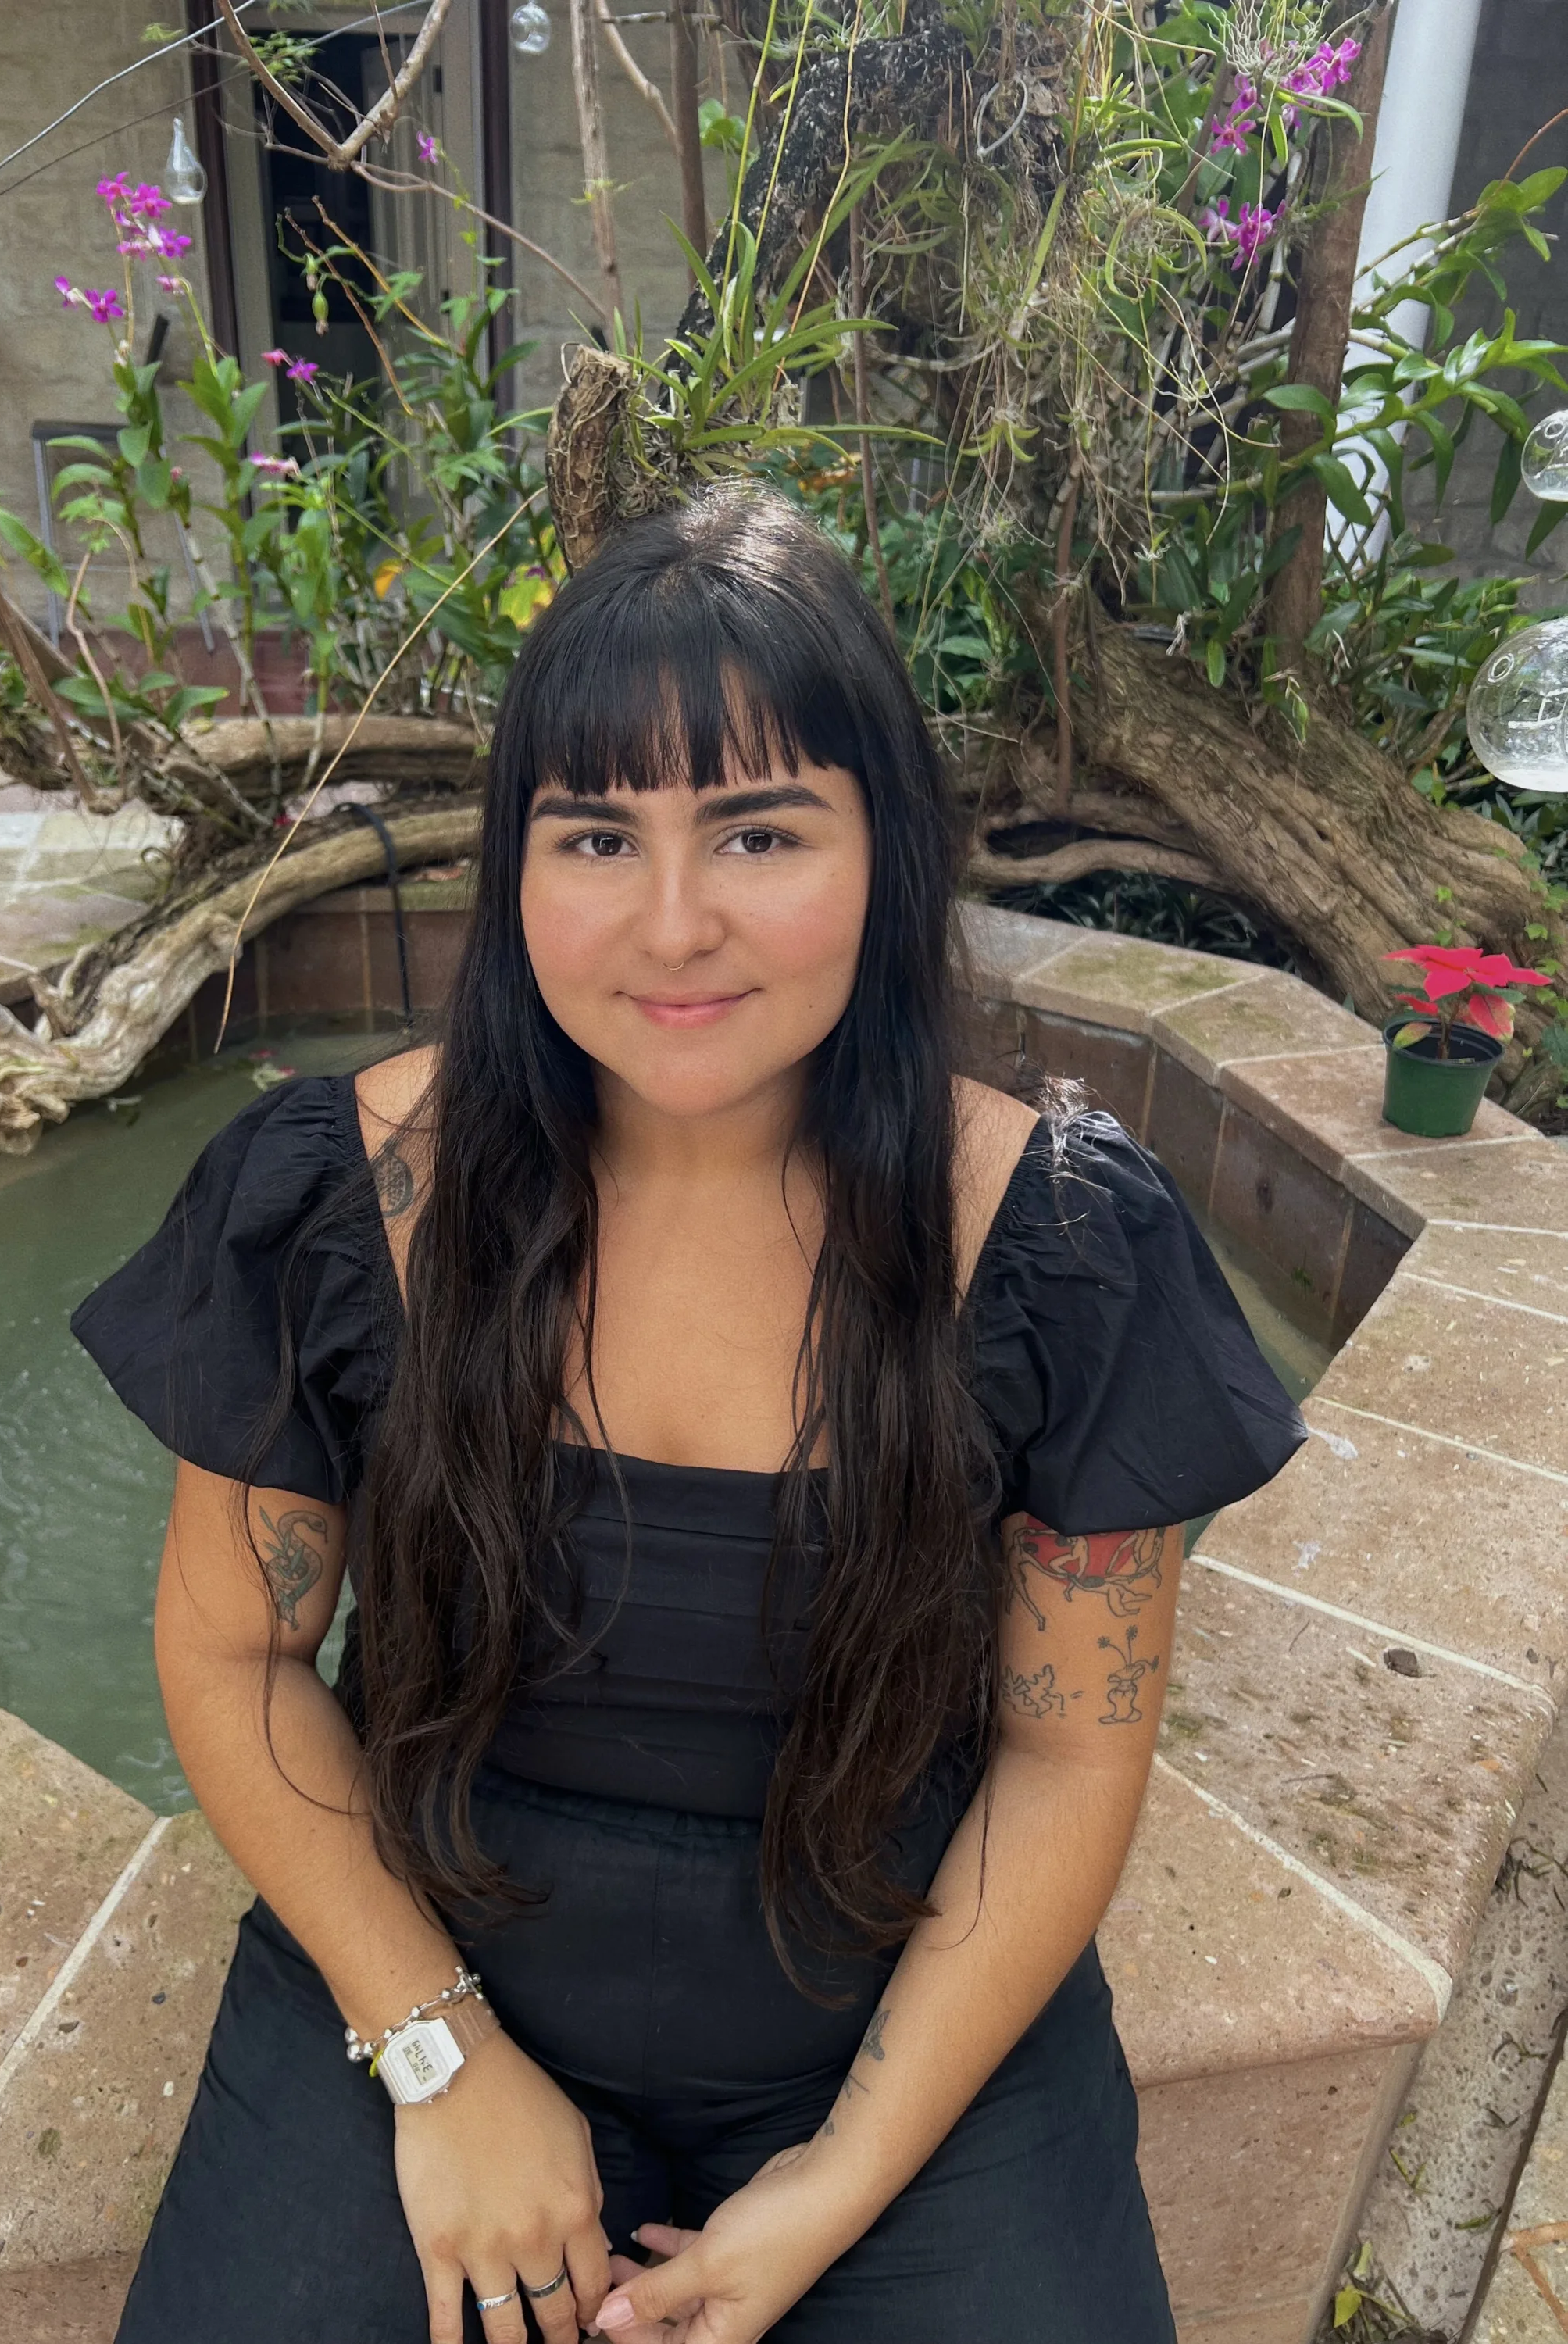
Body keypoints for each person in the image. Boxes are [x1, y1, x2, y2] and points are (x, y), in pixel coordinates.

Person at [72, 490, 1305, 2344]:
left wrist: (848, 2175)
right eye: (596, 834)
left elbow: (1065, 1755)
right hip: (437, 1965)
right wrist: (436, 2057)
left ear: (886, 845)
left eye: (757, 829)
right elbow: (237, 1652)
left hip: (899, 2007)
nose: (671, 926)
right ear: (518, 865)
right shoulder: (342, 1203)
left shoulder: (1057, 1246)